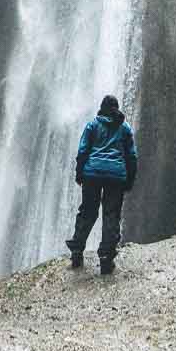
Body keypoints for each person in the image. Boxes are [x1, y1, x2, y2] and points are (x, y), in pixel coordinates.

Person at [66, 94, 137, 274]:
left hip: (92, 174)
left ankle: (77, 249)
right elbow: (132, 156)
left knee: (88, 211)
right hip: (116, 176)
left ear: (101, 107)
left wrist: (79, 173)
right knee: (111, 215)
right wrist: (129, 179)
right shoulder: (125, 128)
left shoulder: (92, 125)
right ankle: (106, 257)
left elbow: (82, 151)